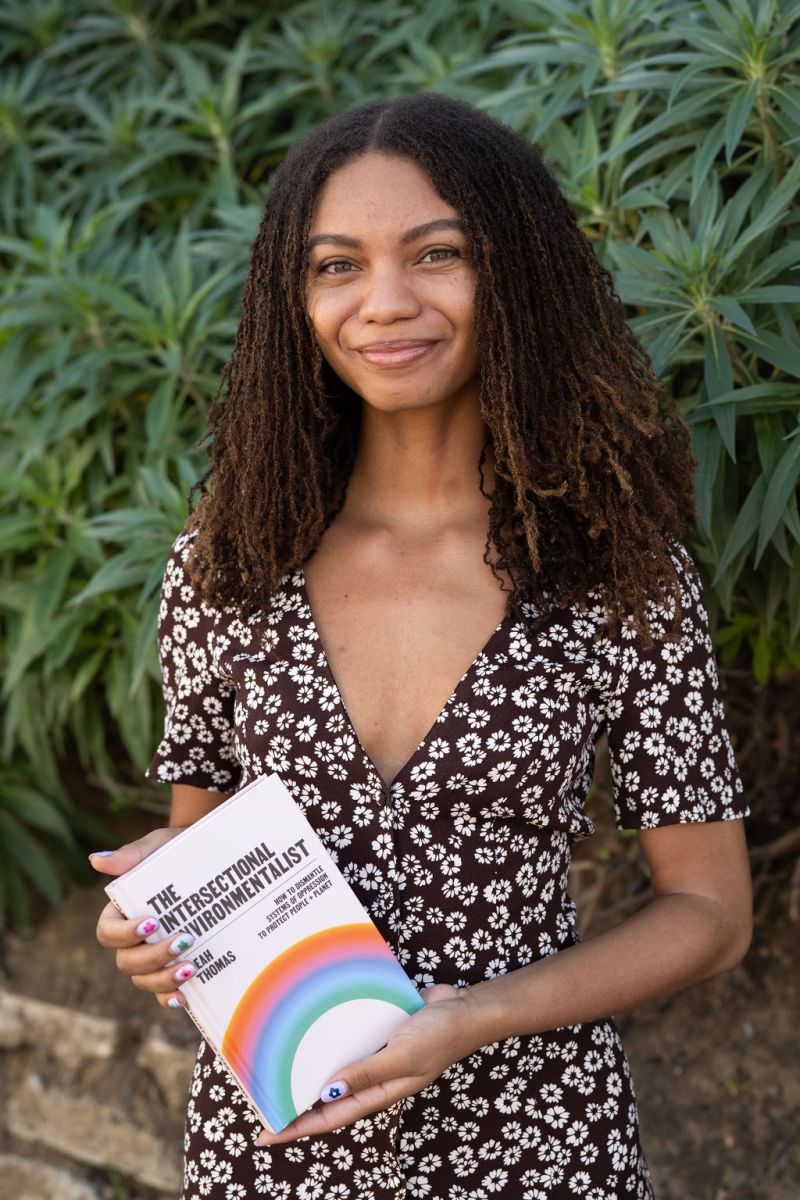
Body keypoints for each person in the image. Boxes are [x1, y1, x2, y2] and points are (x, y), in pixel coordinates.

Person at [92, 91, 752, 1200]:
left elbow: (710, 913)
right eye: (335, 265)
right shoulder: (228, 565)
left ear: (516, 274)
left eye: (435, 253)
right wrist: (151, 928)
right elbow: (198, 860)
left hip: (536, 1146)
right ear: (292, 298)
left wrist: (474, 1017)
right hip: (277, 1156)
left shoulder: (619, 580)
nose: (383, 303)